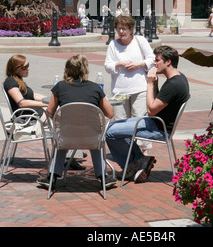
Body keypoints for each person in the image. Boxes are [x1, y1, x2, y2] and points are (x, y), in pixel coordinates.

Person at [106, 45, 190, 183]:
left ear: (168, 62)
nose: (154, 63)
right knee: (116, 128)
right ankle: (139, 161)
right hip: (156, 122)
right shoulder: (180, 78)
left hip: (158, 128)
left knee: (110, 132)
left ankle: (132, 165)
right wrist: (155, 83)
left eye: (157, 60)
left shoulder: (173, 86)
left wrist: (149, 84)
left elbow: (151, 110)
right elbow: (157, 103)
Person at [37, 54, 117, 191]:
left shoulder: (59, 87)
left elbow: (50, 112)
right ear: (85, 69)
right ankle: (103, 177)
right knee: (97, 137)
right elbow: (110, 113)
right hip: (92, 138)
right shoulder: (95, 88)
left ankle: (52, 177)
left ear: (67, 69)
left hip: (67, 137)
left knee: (59, 140)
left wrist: (61, 120)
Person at [104, 15, 155, 120]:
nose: (121, 31)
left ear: (131, 29)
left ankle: (135, 137)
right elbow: (107, 66)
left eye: (124, 29)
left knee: (139, 121)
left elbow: (152, 59)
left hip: (139, 89)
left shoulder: (140, 40)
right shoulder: (113, 45)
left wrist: (139, 64)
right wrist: (119, 64)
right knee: (120, 122)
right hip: (119, 91)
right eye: (118, 29)